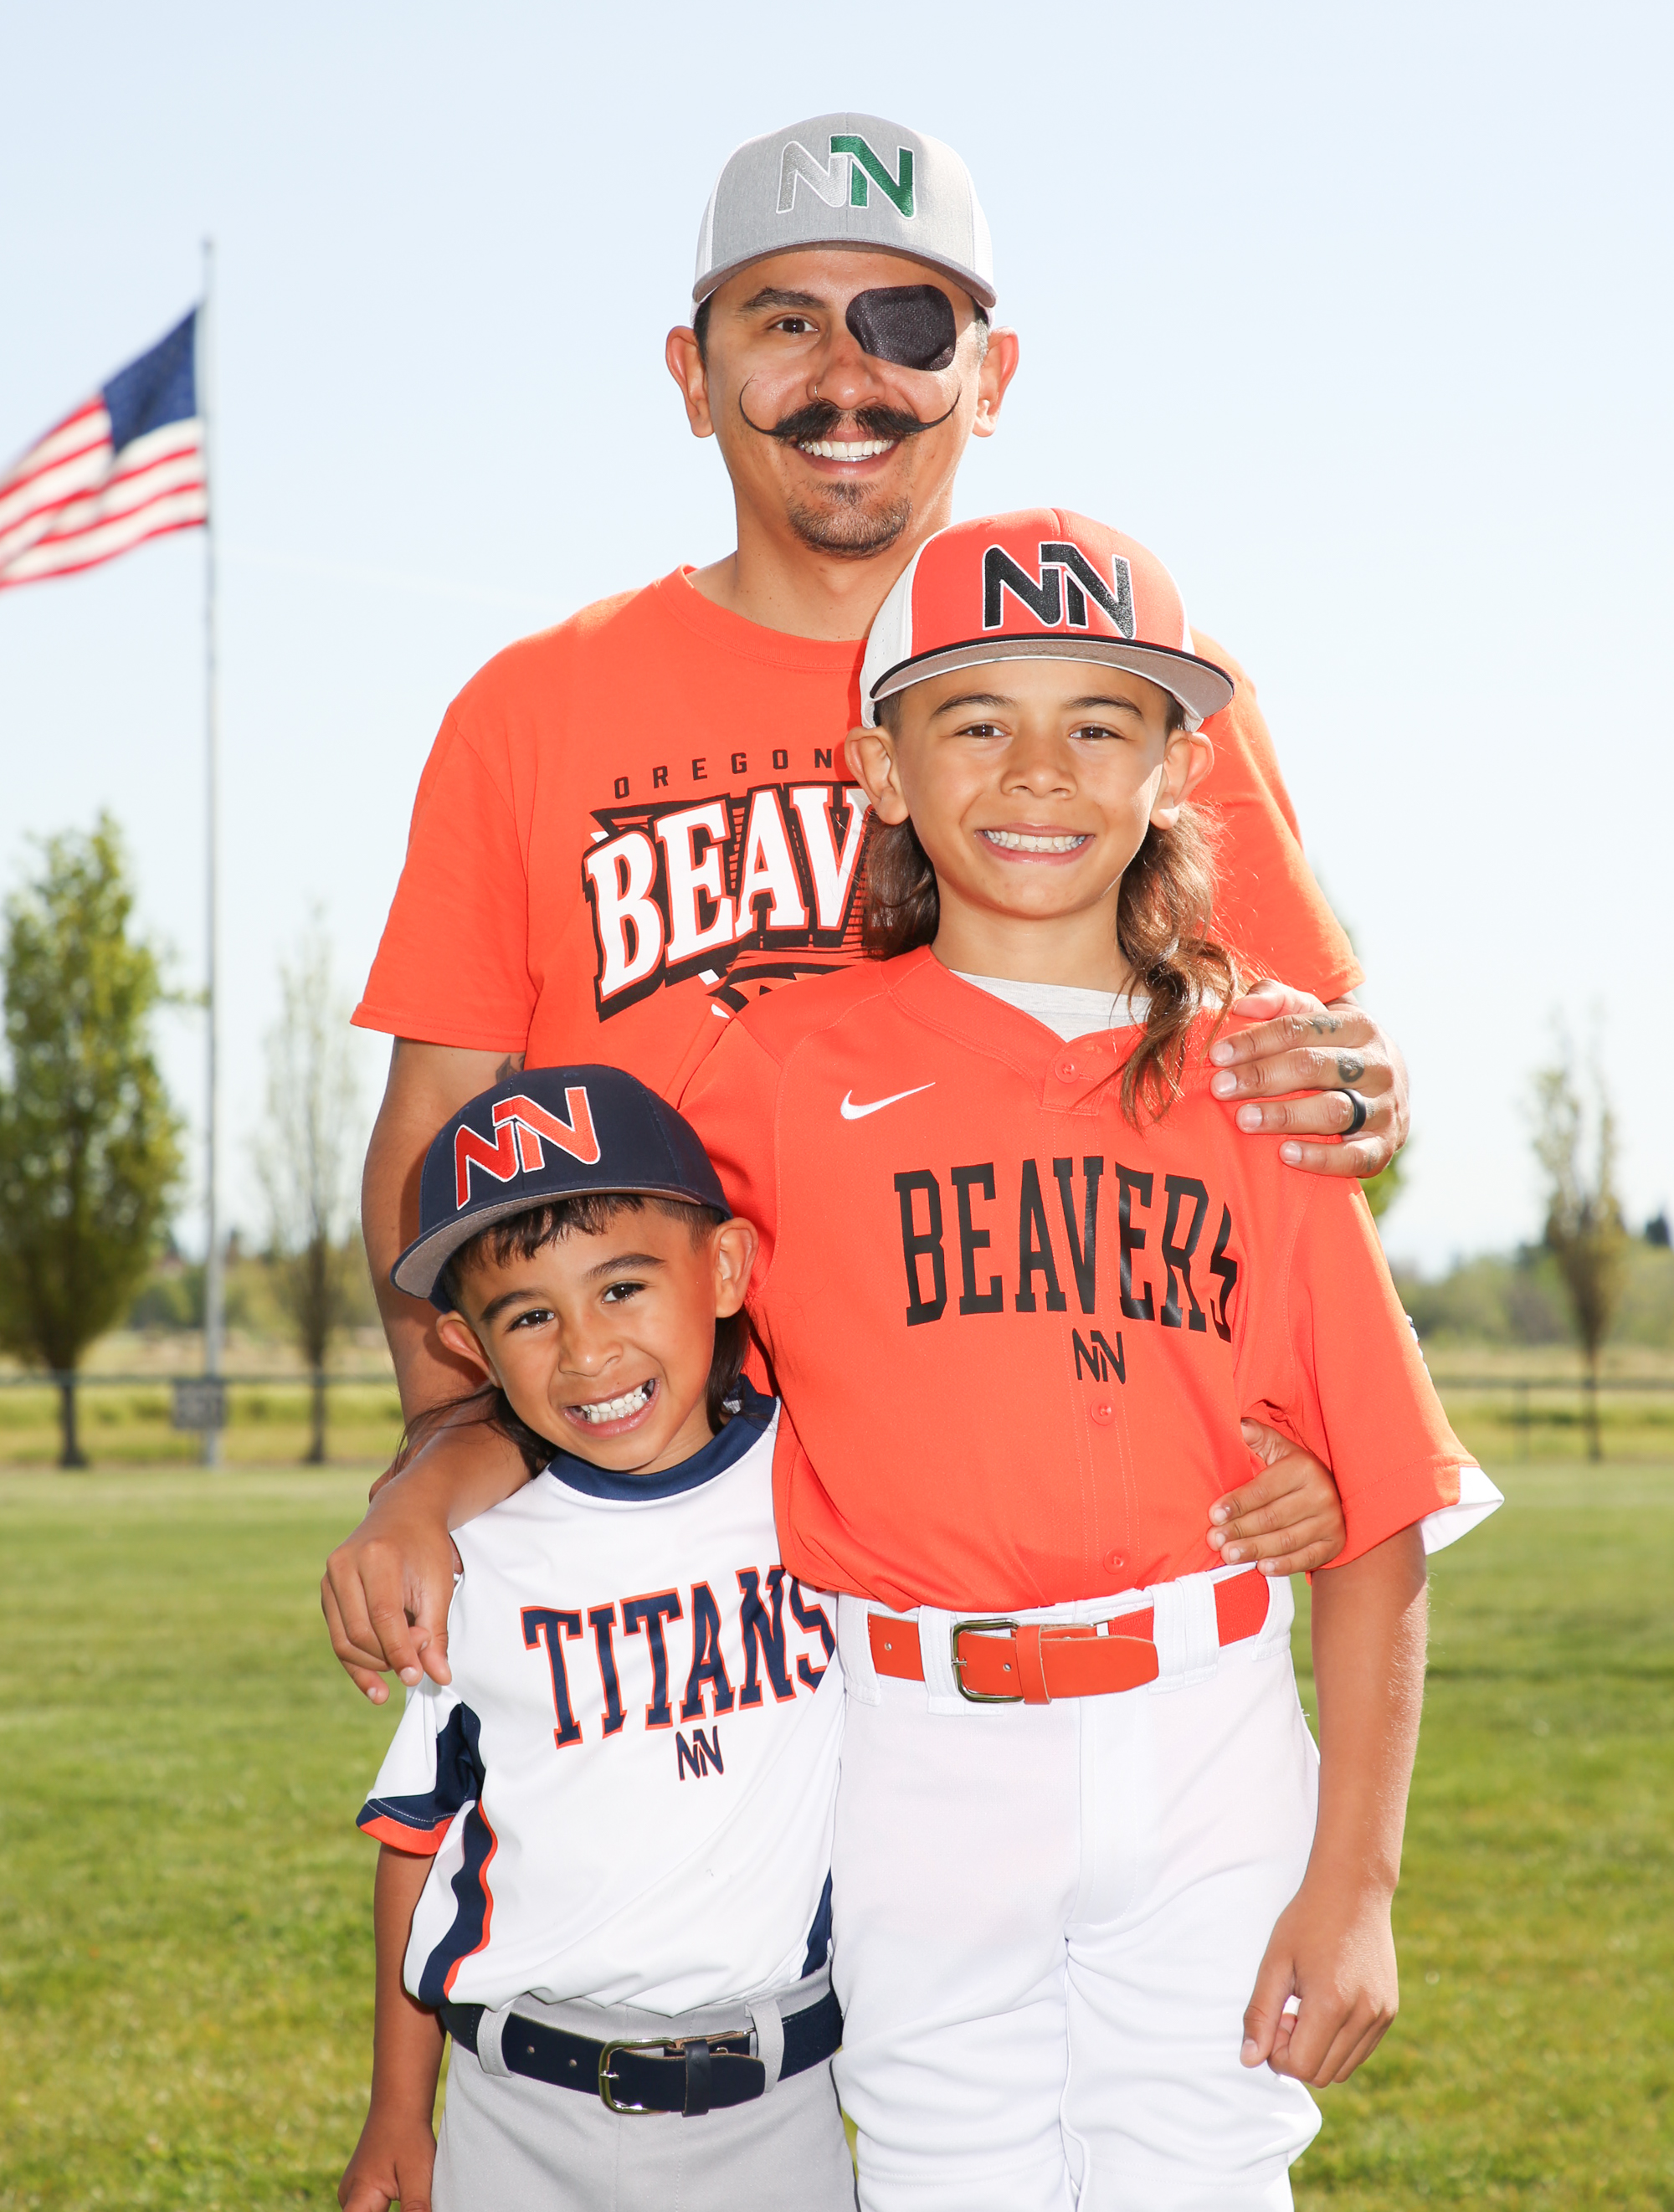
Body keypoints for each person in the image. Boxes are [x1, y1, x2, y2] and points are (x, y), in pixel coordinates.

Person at [326, 110, 1389, 1685]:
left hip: (1009, 1510)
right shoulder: (533, 706)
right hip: (650, 1492)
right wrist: (459, 1442)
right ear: (691, 376)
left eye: (906, 326)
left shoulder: (1145, 682)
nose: (846, 377)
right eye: (784, 323)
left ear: (992, 376)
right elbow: (435, 1127)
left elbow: (1300, 1089)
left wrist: (1359, 1106)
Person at [674, 507, 1504, 2211]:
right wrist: (439, 1473)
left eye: (1101, 723)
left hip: (1204, 1733)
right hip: (914, 1735)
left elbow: (1377, 1505)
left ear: (1179, 770)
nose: (1038, 771)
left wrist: (1356, 1882)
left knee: (1206, 2173)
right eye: (977, 719)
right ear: (882, 767)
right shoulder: (777, 1067)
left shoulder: (1259, 1068)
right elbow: (617, 1356)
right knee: (943, 2175)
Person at [336, 1065, 853, 2212]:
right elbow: (421, 1839)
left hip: (775, 2102)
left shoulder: (824, 1488)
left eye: (622, 1287)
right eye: (530, 1316)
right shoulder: (478, 1557)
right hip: (520, 2106)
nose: (585, 1351)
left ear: (726, 1269)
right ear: (469, 1347)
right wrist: (395, 2111)